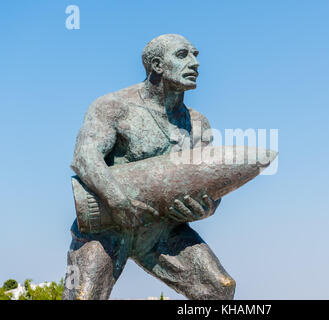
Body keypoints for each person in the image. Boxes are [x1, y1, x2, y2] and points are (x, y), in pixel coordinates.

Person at [62, 34, 236, 300]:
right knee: (83, 297)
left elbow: (209, 184)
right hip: (106, 228)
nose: (195, 63)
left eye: (196, 55)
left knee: (219, 289)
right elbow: (84, 157)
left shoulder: (198, 124)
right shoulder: (113, 107)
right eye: (183, 55)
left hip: (161, 231)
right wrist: (117, 200)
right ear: (157, 65)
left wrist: (206, 209)